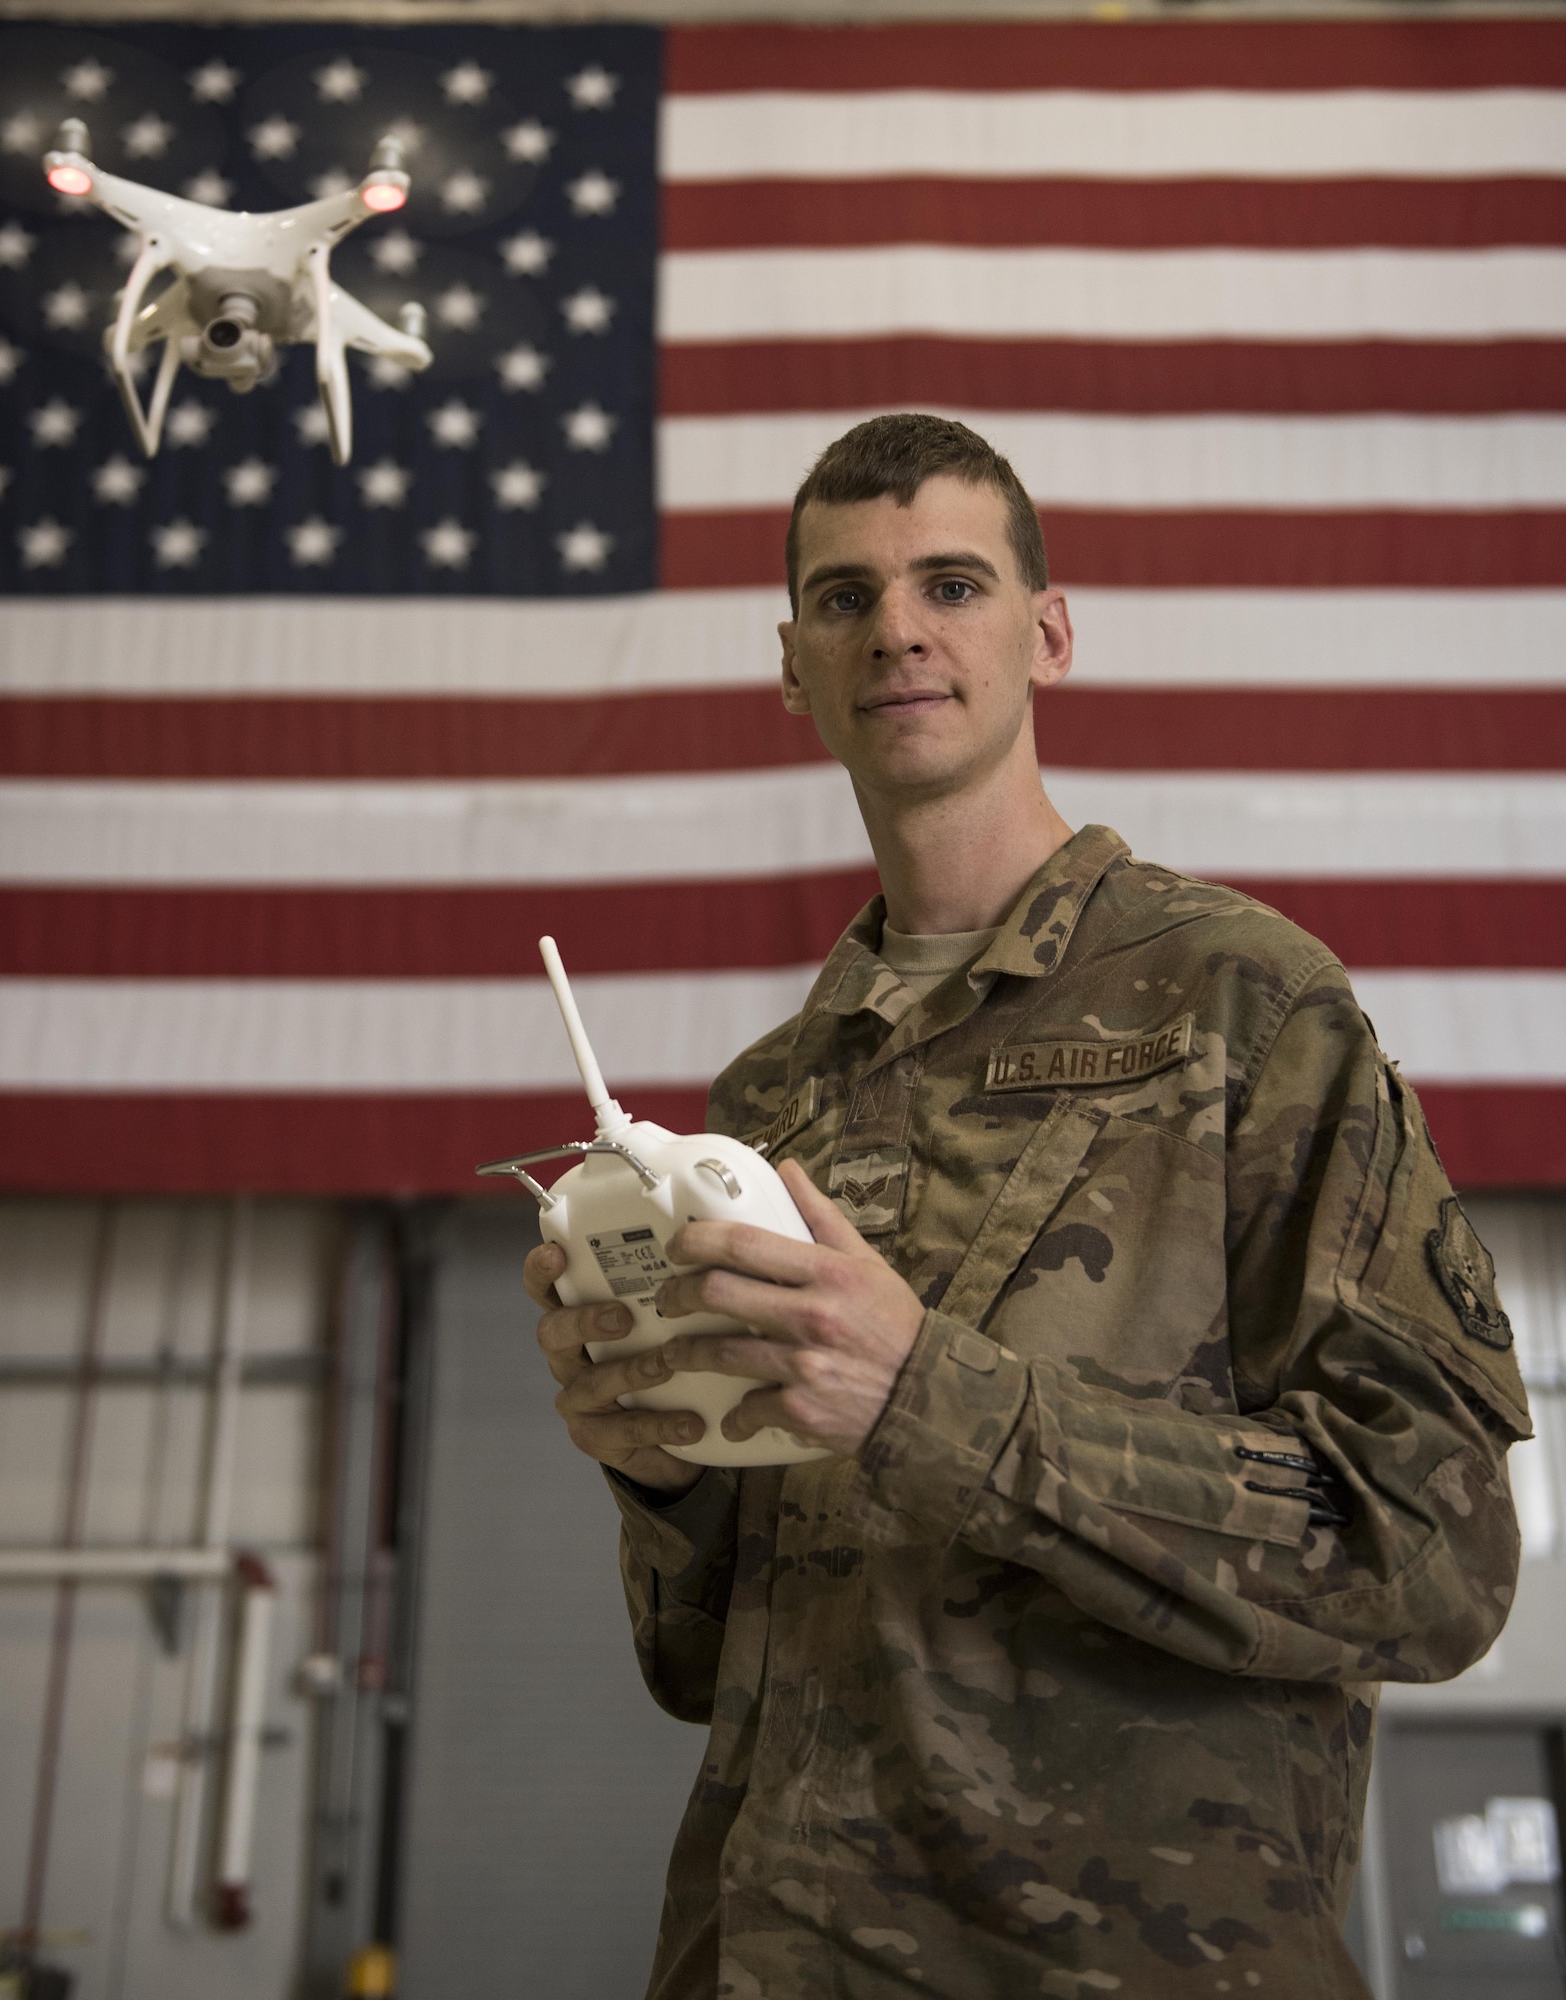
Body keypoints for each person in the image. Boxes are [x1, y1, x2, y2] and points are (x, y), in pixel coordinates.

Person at [524, 414, 1528, 1999]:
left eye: (952, 584)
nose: (899, 631)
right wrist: (663, 1474)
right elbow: (701, 1663)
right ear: (794, 666)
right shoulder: (765, 1104)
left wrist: (931, 1397)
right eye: (846, 599)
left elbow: (1433, 1556)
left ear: (1047, 633)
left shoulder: (1244, 1009)